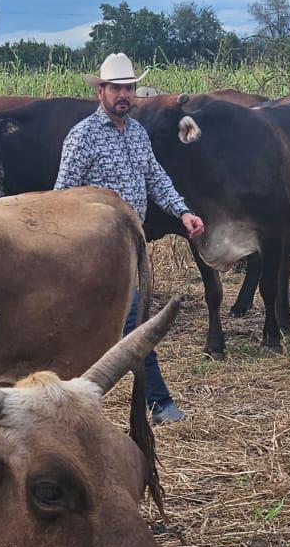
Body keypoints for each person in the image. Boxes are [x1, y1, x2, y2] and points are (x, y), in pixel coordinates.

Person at [54, 52, 205, 425]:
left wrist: (183, 211)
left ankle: (68, 404)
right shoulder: (82, 137)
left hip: (132, 247)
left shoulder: (137, 133)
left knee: (114, 326)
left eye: (129, 88)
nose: (124, 94)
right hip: (94, 250)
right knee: (132, 325)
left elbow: (155, 178)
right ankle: (159, 403)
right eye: (116, 88)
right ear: (100, 92)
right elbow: (60, 198)